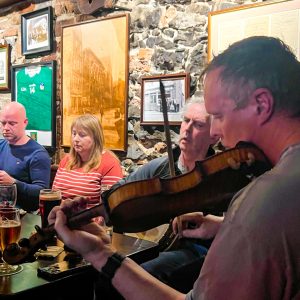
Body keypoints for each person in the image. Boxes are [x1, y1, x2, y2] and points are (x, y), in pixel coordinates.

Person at [50, 36, 300, 299]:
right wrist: (221, 225)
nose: (215, 131)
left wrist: (98, 253)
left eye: (218, 116)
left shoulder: (268, 198)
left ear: (262, 104)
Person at [110, 96, 218, 294]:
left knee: (142, 274)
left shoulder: (220, 173)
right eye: (186, 121)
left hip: (198, 250)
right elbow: (121, 187)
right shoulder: (161, 167)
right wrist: (104, 206)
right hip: (155, 244)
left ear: (214, 136)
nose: (187, 129)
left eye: (199, 124)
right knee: (109, 270)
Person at [52, 114, 123, 208]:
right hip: (59, 217)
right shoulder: (67, 160)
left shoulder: (109, 164)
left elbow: (110, 207)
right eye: (74, 134)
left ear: (95, 138)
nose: (76, 139)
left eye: (82, 135)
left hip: (88, 220)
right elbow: (54, 194)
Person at [0, 102, 50, 211]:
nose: (6, 128)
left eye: (12, 123)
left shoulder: (37, 154)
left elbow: (42, 192)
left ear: (25, 122)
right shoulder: (1, 146)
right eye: (3, 123)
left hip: (24, 215)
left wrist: (13, 183)